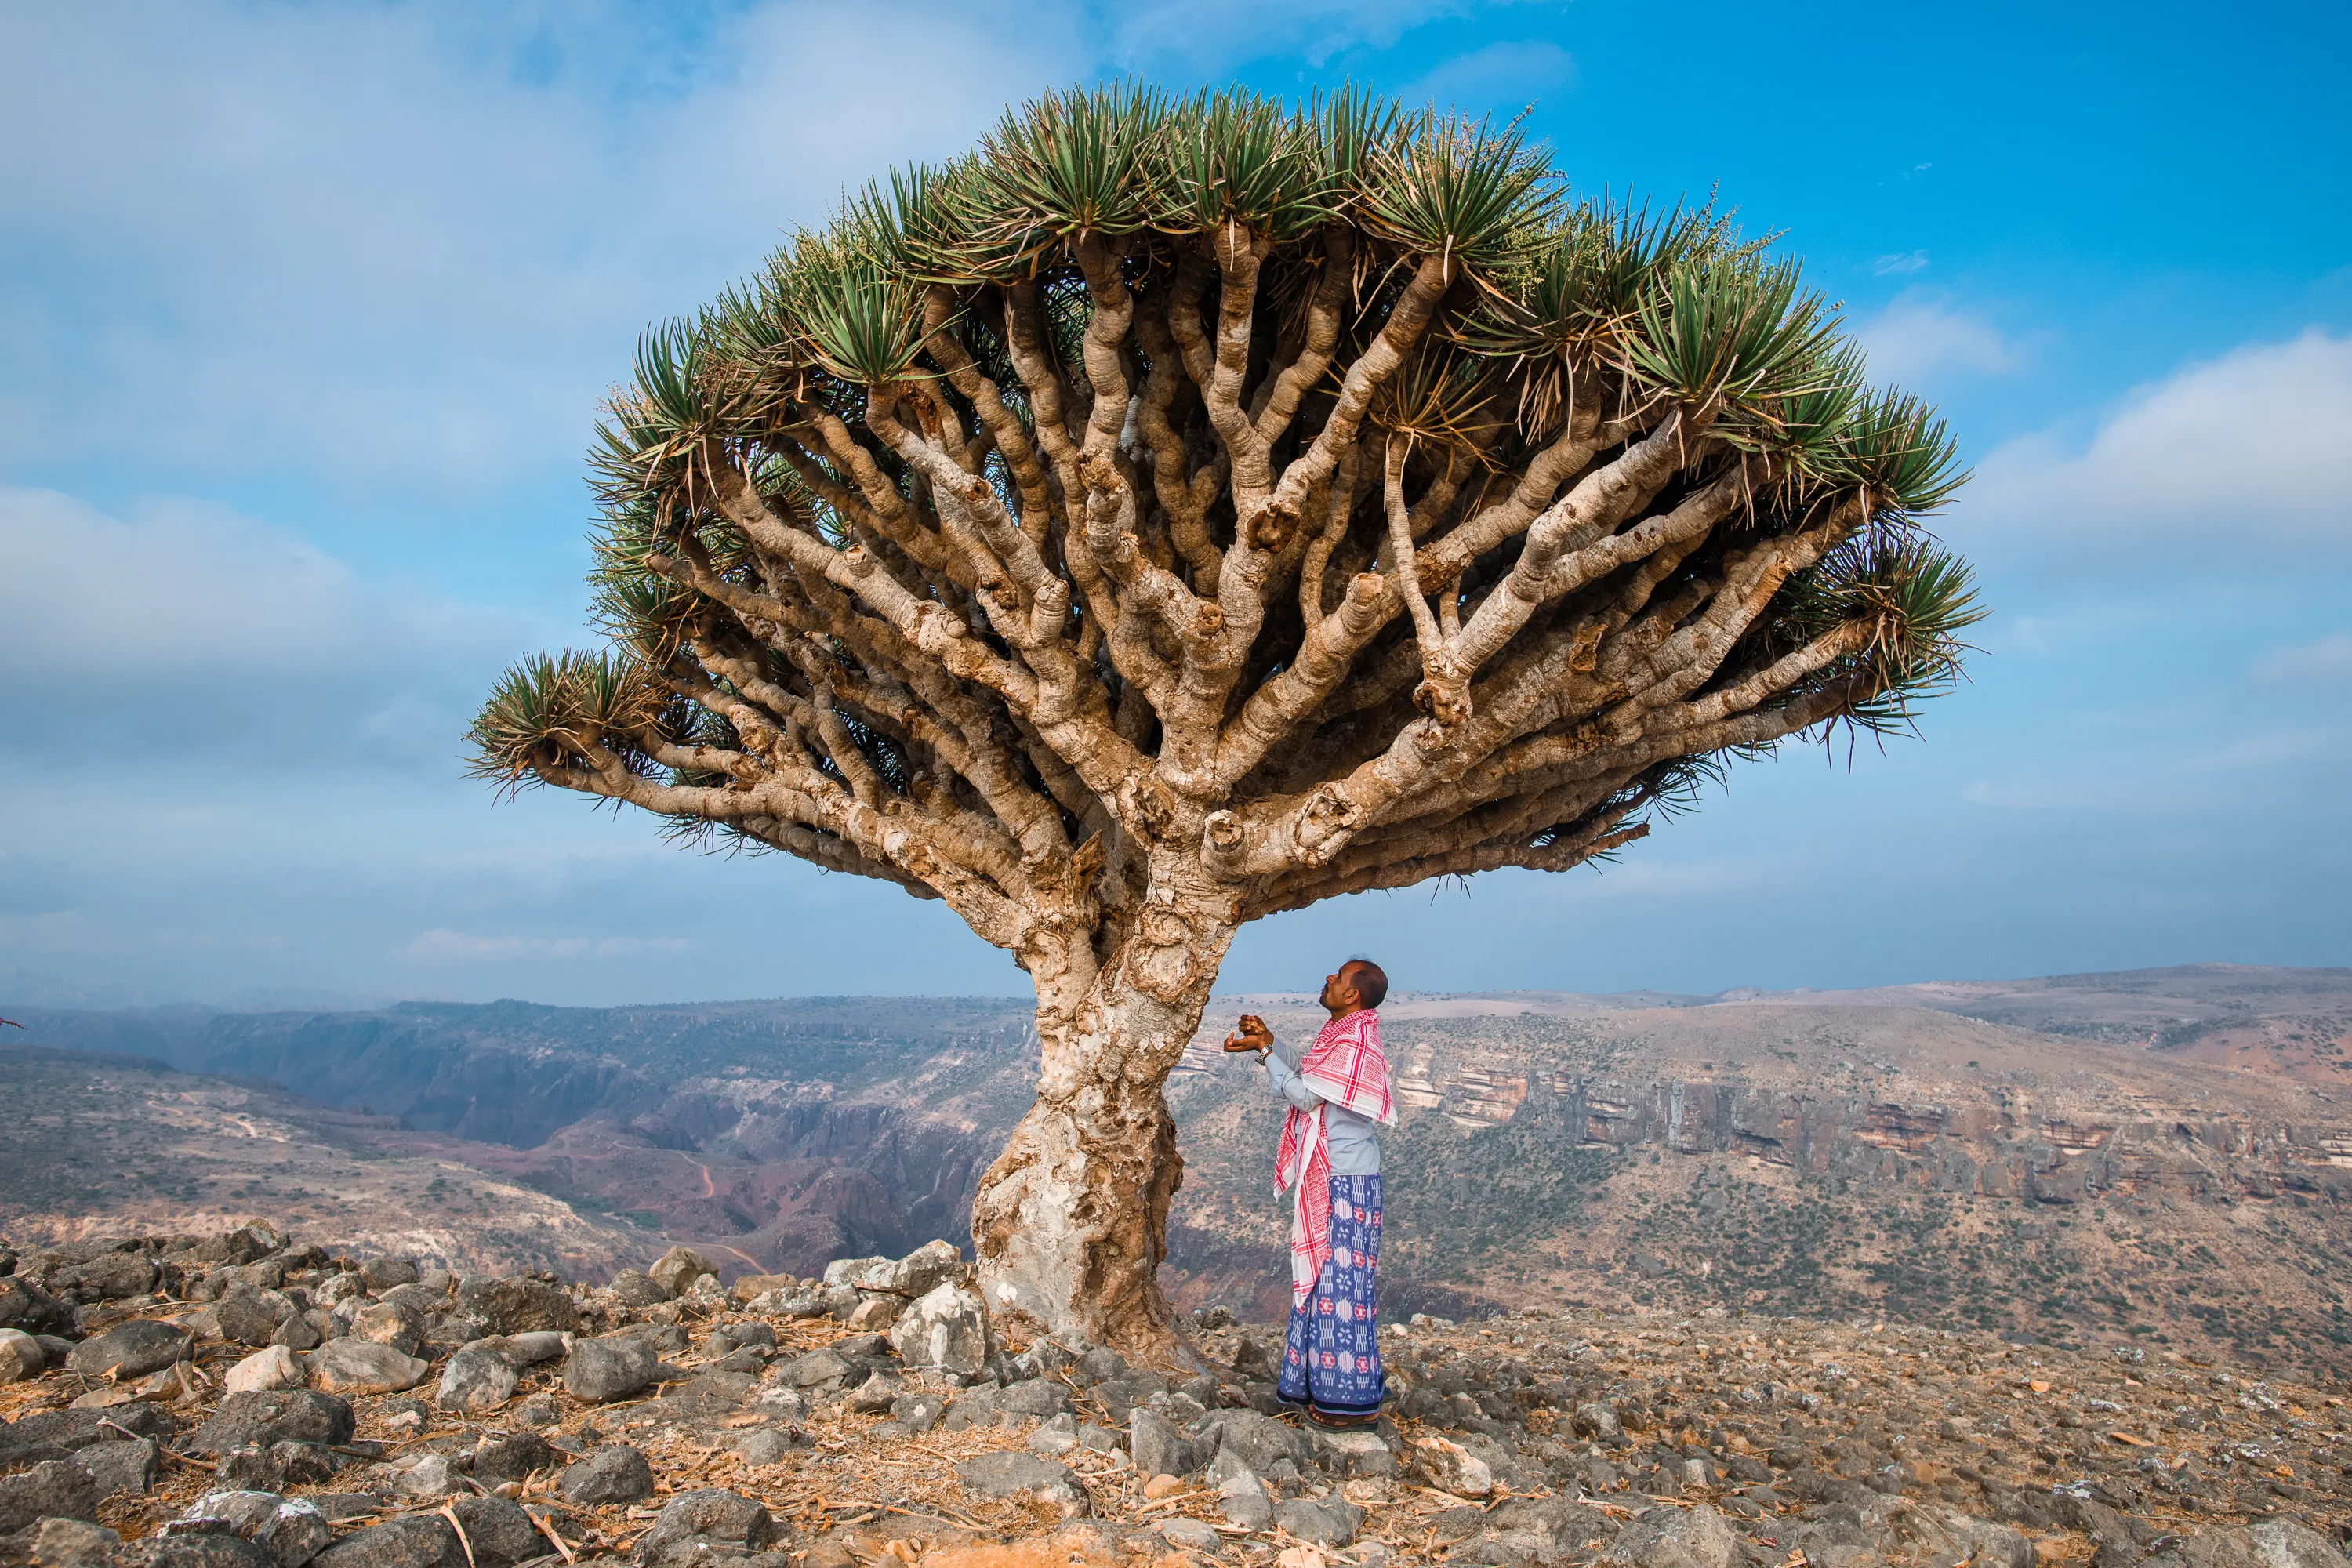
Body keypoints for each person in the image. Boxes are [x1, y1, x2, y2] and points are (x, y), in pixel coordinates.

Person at [1222, 958, 1394, 1429]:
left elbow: (1303, 1096)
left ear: (1353, 994)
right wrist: (1268, 1043)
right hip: (1339, 1176)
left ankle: (1348, 1404)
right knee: (1324, 1282)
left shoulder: (1355, 1040)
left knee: (1343, 1287)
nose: (1328, 980)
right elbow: (1311, 1077)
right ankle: (1315, 1386)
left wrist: (1266, 1055)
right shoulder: (1341, 1034)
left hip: (1345, 1180)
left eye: (1338, 978)